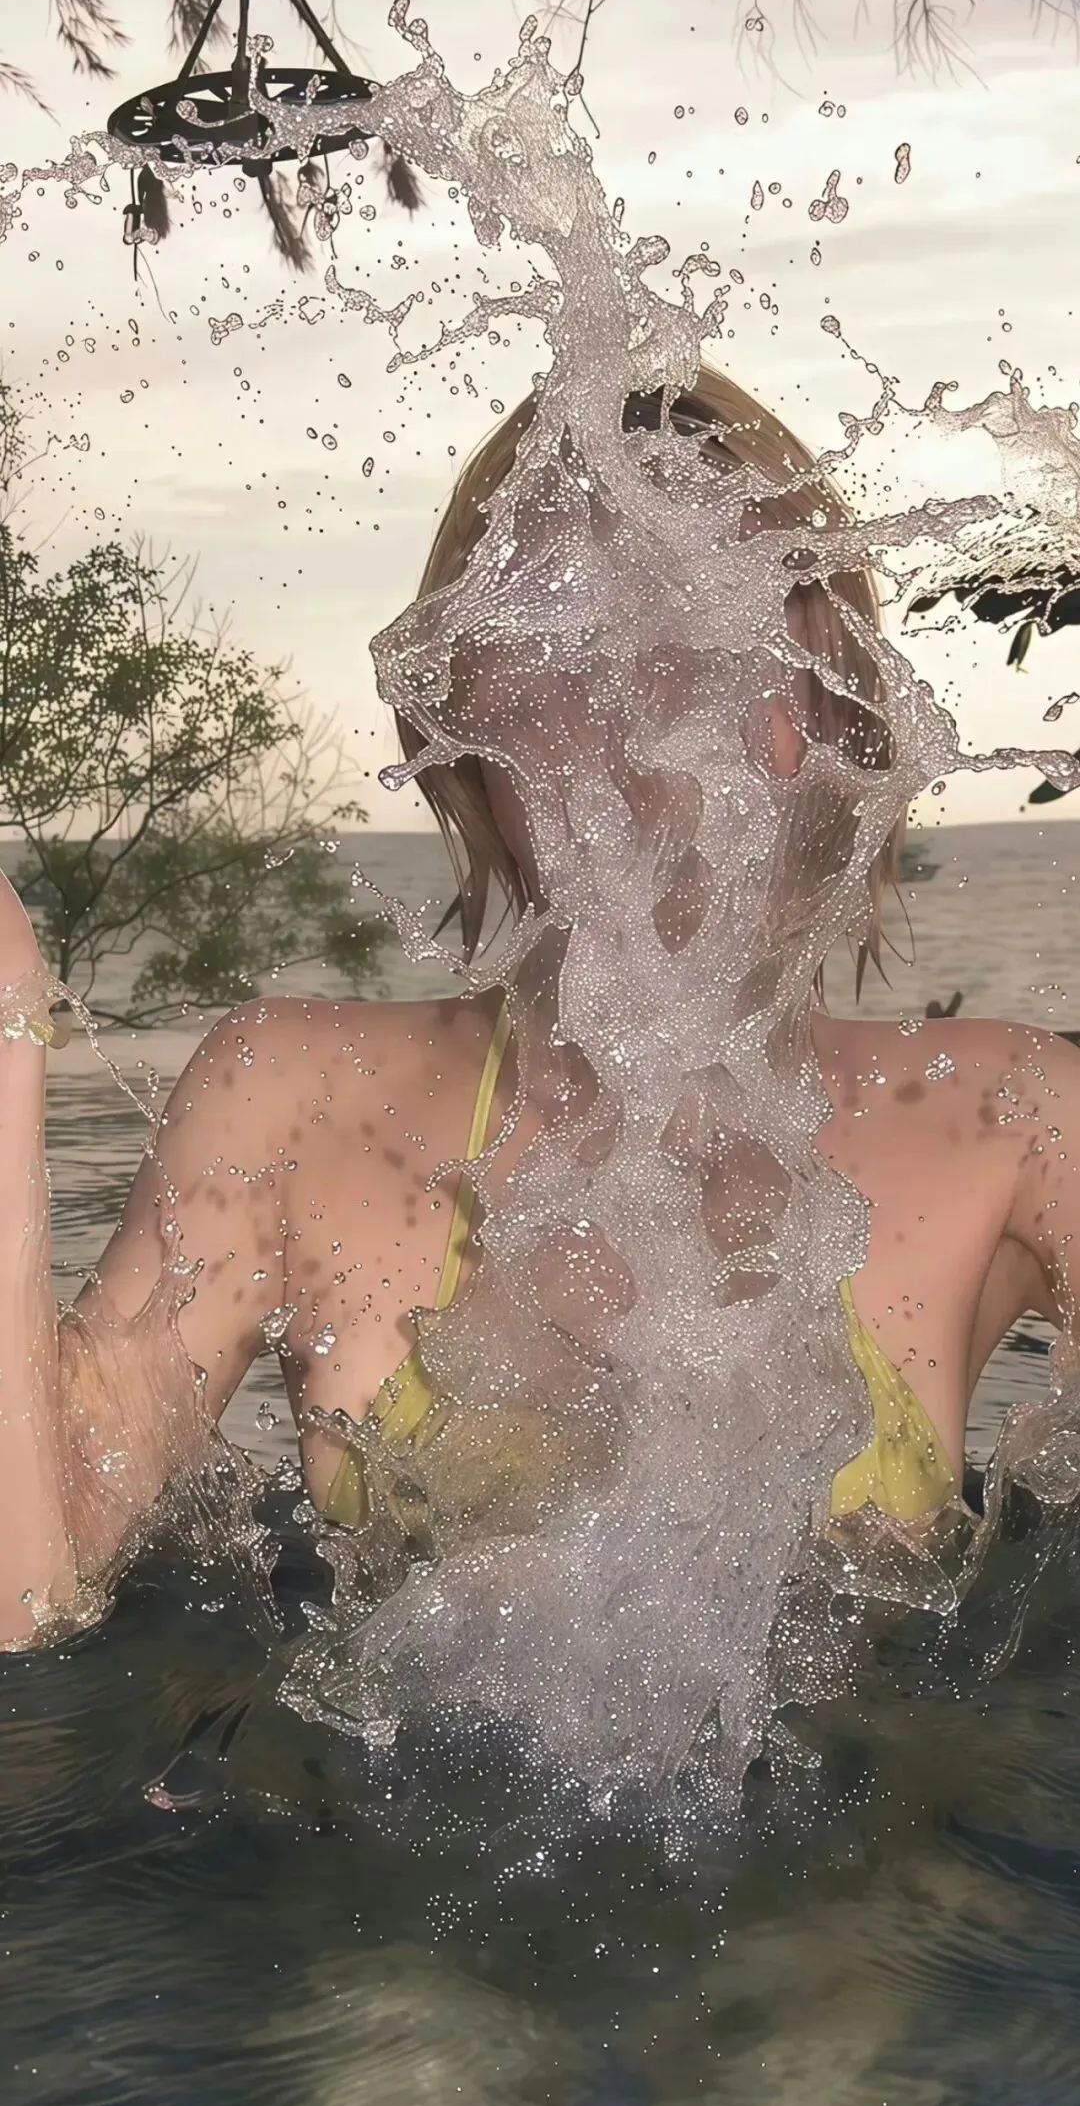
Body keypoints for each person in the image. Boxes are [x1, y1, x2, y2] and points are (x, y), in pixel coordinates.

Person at [0, 362, 1075, 1651]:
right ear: (465, 724)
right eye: (567, 645)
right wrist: (9, 1012)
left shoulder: (1009, 1122)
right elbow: (31, 1601)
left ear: (833, 706)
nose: (646, 729)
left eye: (713, 639)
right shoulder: (294, 1099)